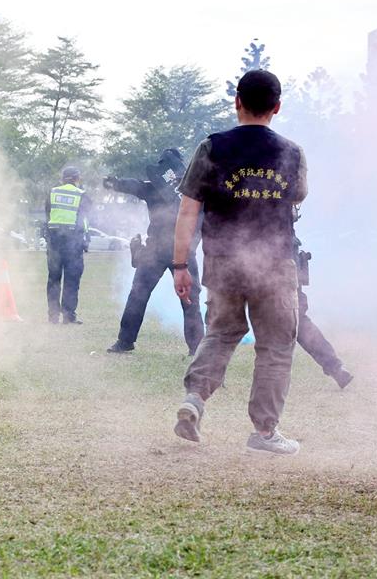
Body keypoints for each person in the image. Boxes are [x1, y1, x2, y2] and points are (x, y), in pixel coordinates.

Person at [171, 69, 308, 455]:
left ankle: (194, 399)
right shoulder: (292, 152)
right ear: (277, 107)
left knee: (221, 333)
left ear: (237, 102)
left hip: (222, 259)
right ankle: (264, 434)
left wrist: (180, 265)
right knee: (276, 346)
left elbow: (186, 211)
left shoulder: (212, 147)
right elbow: (298, 196)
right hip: (276, 262)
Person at [103, 149, 205, 354]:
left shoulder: (187, 190)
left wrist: (115, 183)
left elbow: (136, 185)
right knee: (184, 299)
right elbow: (136, 186)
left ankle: (125, 342)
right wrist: (116, 183)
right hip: (168, 250)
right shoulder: (191, 190)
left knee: (142, 295)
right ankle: (195, 348)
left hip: (168, 249)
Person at [293, 237, 354, 388]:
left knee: (299, 324)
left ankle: (336, 369)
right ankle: (336, 369)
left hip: (282, 268)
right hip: (274, 264)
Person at [45, 166, 91, 325]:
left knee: (53, 280)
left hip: (54, 242)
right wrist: (86, 240)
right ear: (77, 178)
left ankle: (52, 317)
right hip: (73, 243)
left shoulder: (52, 193)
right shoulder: (82, 195)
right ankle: (68, 316)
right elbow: (84, 221)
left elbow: (48, 215)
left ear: (62, 178)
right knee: (72, 280)